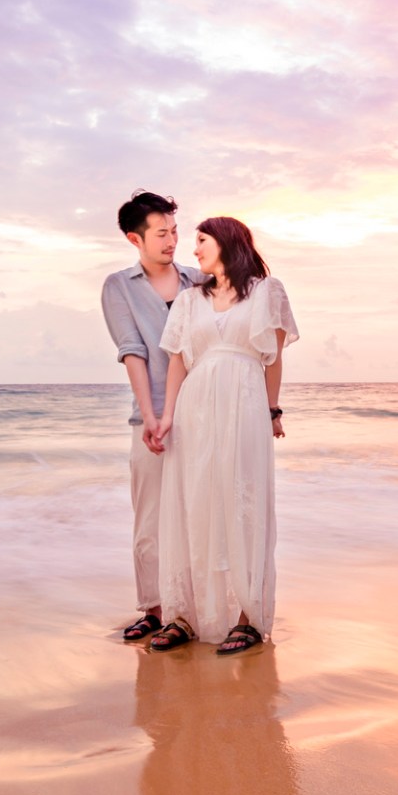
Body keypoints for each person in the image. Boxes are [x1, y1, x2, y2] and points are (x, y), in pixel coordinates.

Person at [148, 216, 298, 656]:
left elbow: (272, 359)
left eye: (201, 240)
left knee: (242, 501)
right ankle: (185, 616)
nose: (192, 250)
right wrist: (167, 416)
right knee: (193, 502)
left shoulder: (267, 291)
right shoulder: (190, 300)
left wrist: (272, 411)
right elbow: (178, 361)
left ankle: (248, 617)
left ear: (227, 241)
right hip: (195, 407)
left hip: (244, 403)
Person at [100, 190, 206, 643]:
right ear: (134, 238)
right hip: (150, 417)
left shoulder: (199, 281)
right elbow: (133, 351)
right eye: (161, 233)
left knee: (200, 516)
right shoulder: (118, 286)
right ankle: (154, 609)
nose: (172, 240)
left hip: (202, 413)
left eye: (175, 231)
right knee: (150, 519)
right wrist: (150, 415)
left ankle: (192, 610)